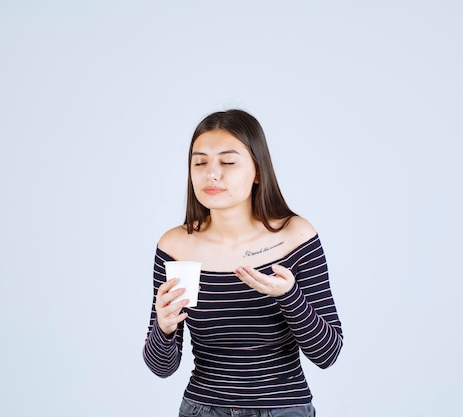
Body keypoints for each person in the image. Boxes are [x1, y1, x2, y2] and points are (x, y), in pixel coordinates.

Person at [143, 109, 343, 417]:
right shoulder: (175, 247)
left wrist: (289, 296)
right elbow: (162, 368)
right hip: (202, 409)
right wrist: (164, 328)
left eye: (227, 162)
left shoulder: (295, 236)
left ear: (258, 171)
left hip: (283, 409)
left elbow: (328, 353)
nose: (211, 173)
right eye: (200, 162)